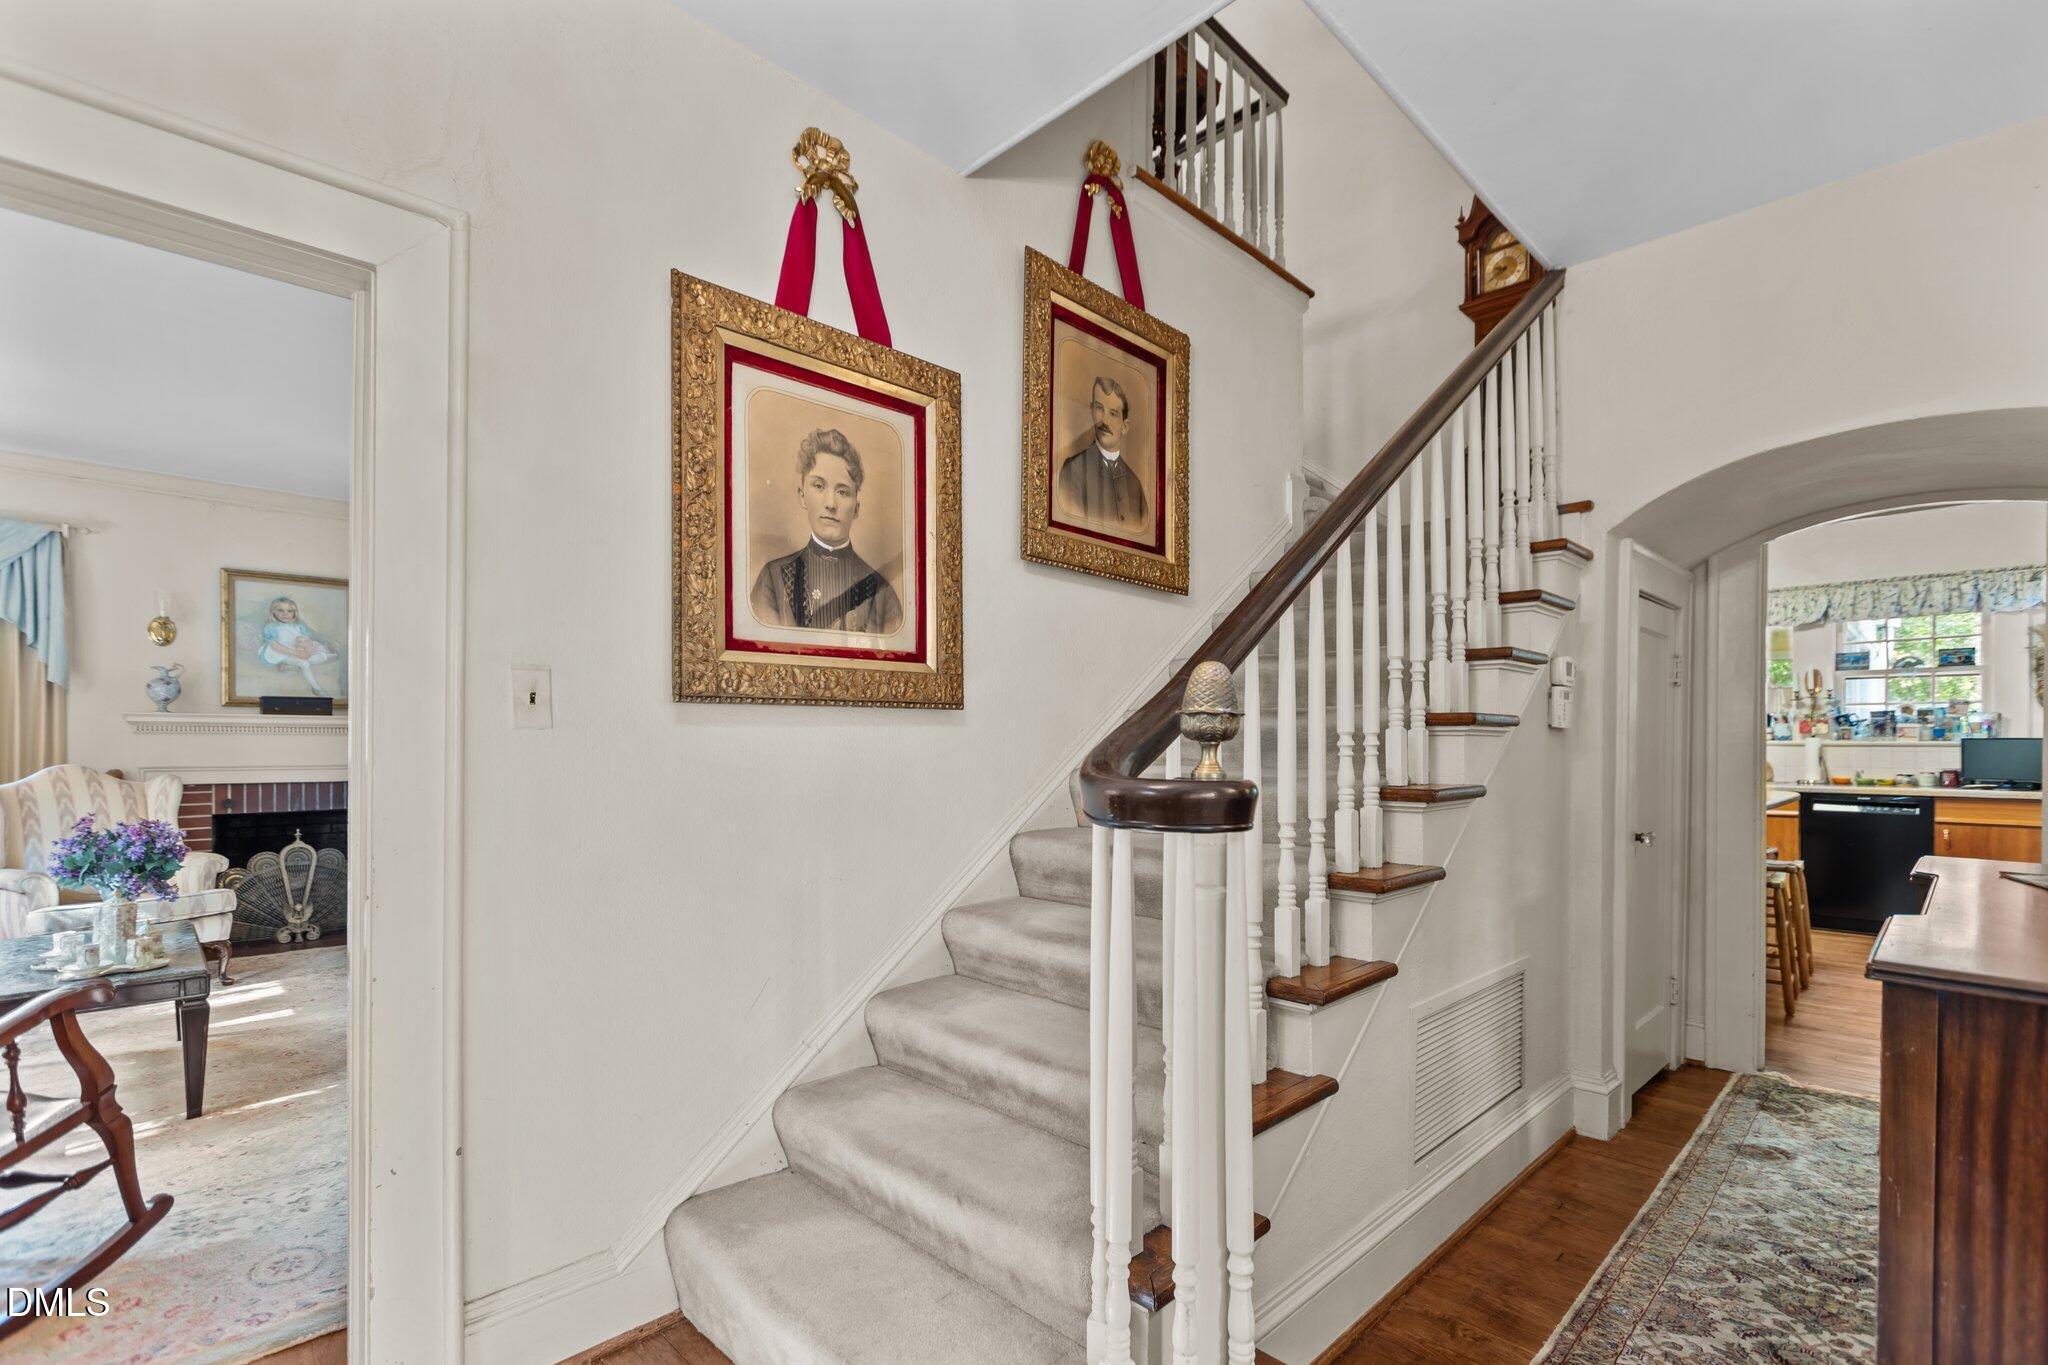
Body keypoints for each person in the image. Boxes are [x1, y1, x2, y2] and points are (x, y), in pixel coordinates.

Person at [750, 427, 903, 634]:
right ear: (802, 496)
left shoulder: (882, 594)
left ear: (856, 508)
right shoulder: (772, 579)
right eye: (819, 486)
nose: (830, 504)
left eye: (842, 491)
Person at [1056, 375, 1148, 532]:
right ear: (1091, 411)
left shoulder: (1135, 484)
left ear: (1125, 426)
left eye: (1113, 413)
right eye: (1099, 408)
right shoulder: (1073, 470)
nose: (1104, 420)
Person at [258, 596, 339, 694]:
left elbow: (307, 640)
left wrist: (307, 651)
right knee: (304, 663)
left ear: (294, 612)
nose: (285, 614)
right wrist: (296, 653)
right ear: (273, 611)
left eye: (289, 611)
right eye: (280, 610)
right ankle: (317, 689)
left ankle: (290, 666)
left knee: (320, 656)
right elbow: (275, 646)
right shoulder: (271, 627)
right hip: (281, 652)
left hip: (297, 650)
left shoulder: (299, 626)